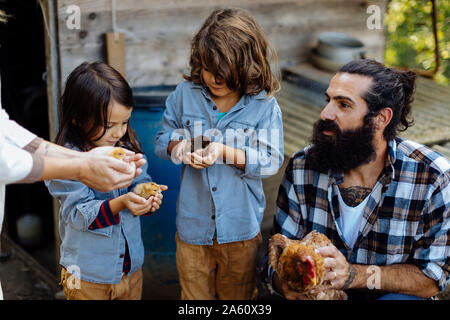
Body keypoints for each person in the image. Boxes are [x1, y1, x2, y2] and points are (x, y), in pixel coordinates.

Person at [261, 59, 449, 300]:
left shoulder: (433, 177)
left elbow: (433, 278)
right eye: (328, 100)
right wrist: (287, 279)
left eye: (344, 104)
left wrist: (353, 275)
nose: (325, 113)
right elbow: (275, 258)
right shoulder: (302, 166)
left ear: (381, 118)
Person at [155, 8, 284, 300]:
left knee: (237, 298)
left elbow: (271, 161)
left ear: (248, 66)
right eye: (209, 69)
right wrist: (182, 148)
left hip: (239, 232)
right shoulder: (184, 94)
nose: (214, 79)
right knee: (193, 297)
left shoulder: (264, 106)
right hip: (192, 229)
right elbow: (163, 139)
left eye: (225, 74)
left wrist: (224, 151)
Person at [45, 61, 167, 300]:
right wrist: (122, 203)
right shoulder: (66, 162)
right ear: (78, 119)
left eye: (124, 122)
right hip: (87, 277)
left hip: (131, 271)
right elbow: (78, 214)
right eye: (109, 125)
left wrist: (147, 196)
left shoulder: (125, 147)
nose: (119, 132)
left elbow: (139, 181)